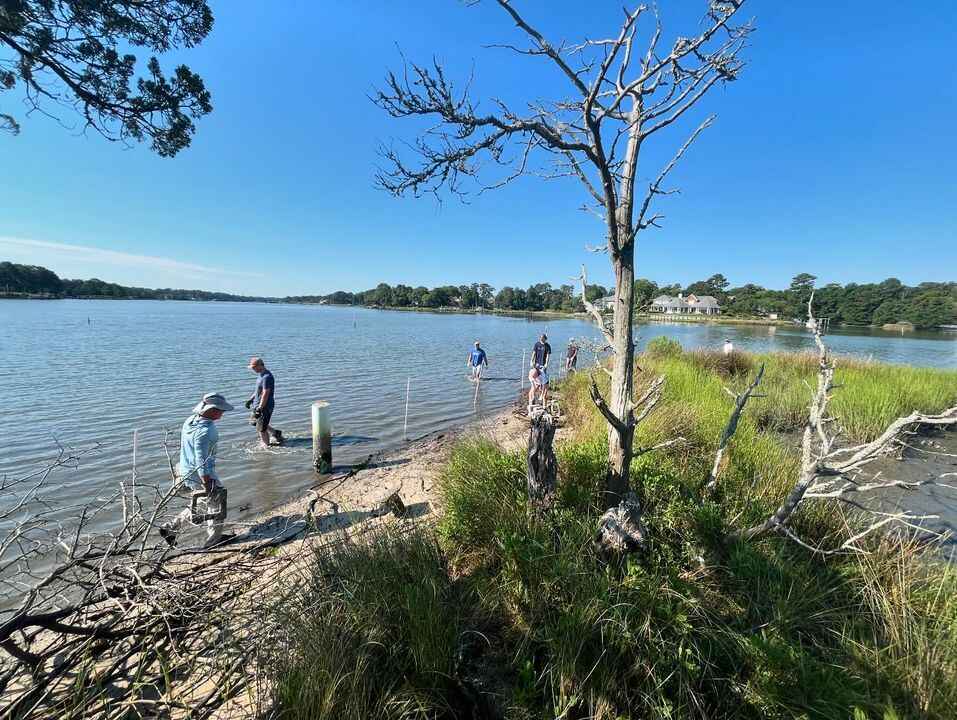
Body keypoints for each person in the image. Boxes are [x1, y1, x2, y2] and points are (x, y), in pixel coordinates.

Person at [160, 392, 234, 548]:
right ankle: (213, 542)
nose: (223, 413)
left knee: (202, 502)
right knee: (217, 504)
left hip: (185, 469)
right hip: (200, 473)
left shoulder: (190, 421)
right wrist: (207, 481)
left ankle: (171, 527)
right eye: (221, 410)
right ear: (212, 410)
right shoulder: (206, 432)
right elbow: (202, 460)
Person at [245, 357, 283, 448]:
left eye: (254, 367)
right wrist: (251, 399)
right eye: (252, 368)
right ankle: (275, 433)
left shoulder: (267, 377)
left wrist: (260, 408)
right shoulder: (260, 375)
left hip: (265, 406)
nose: (253, 369)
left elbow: (266, 393)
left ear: (260, 365)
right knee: (254, 422)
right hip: (257, 404)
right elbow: (258, 390)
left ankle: (265, 446)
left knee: (261, 428)